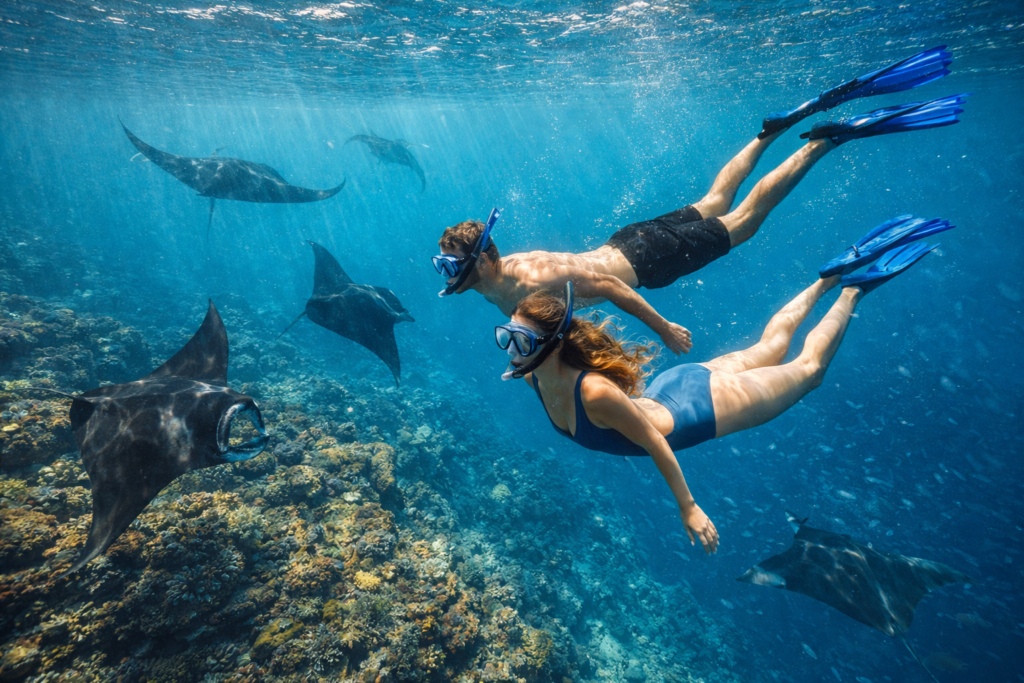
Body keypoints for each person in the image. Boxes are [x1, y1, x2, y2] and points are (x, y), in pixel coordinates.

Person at [434, 46, 963, 356]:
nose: (446, 273)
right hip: (627, 240)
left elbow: (610, 287)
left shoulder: (525, 283)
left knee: (746, 220)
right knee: (715, 198)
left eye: (451, 263)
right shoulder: (507, 270)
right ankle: (768, 134)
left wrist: (663, 329)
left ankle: (824, 142)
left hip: (645, 261)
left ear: (483, 258)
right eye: (444, 265)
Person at [493, 223, 946, 554]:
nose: (511, 349)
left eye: (521, 341)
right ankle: (828, 276)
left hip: (703, 408)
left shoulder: (592, 392)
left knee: (809, 371)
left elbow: (653, 442)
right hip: (676, 387)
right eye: (506, 337)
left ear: (552, 345)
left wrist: (688, 507)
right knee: (771, 346)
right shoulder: (534, 374)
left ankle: (850, 290)